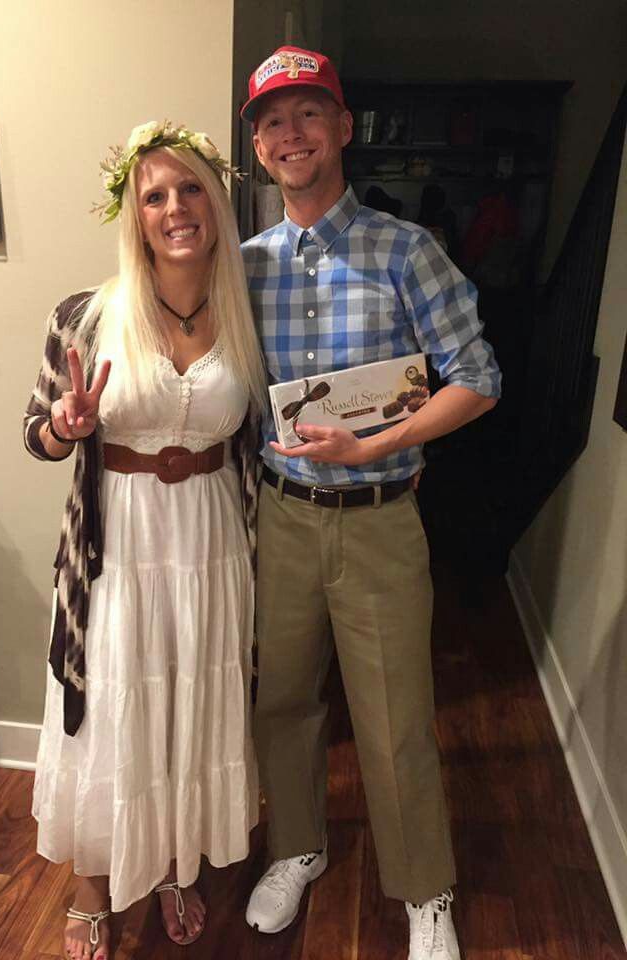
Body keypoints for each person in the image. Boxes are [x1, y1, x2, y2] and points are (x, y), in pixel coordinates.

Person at [240, 46, 501, 960]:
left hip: (382, 519)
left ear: (344, 128)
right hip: (281, 518)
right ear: (260, 149)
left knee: (393, 721)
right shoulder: (248, 266)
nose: (291, 133)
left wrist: (382, 445)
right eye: (273, 121)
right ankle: (298, 846)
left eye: (309, 113)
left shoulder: (406, 249)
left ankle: (425, 892)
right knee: (282, 704)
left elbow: (478, 379)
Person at [23, 120, 266, 959]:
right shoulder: (87, 316)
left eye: (191, 188)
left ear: (216, 200)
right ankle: (94, 886)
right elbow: (37, 437)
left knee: (187, 705)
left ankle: (170, 861)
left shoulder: (243, 310)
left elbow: (259, 438)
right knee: (117, 706)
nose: (175, 208)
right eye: (154, 194)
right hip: (118, 549)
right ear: (134, 213)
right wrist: (65, 422)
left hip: (209, 545)